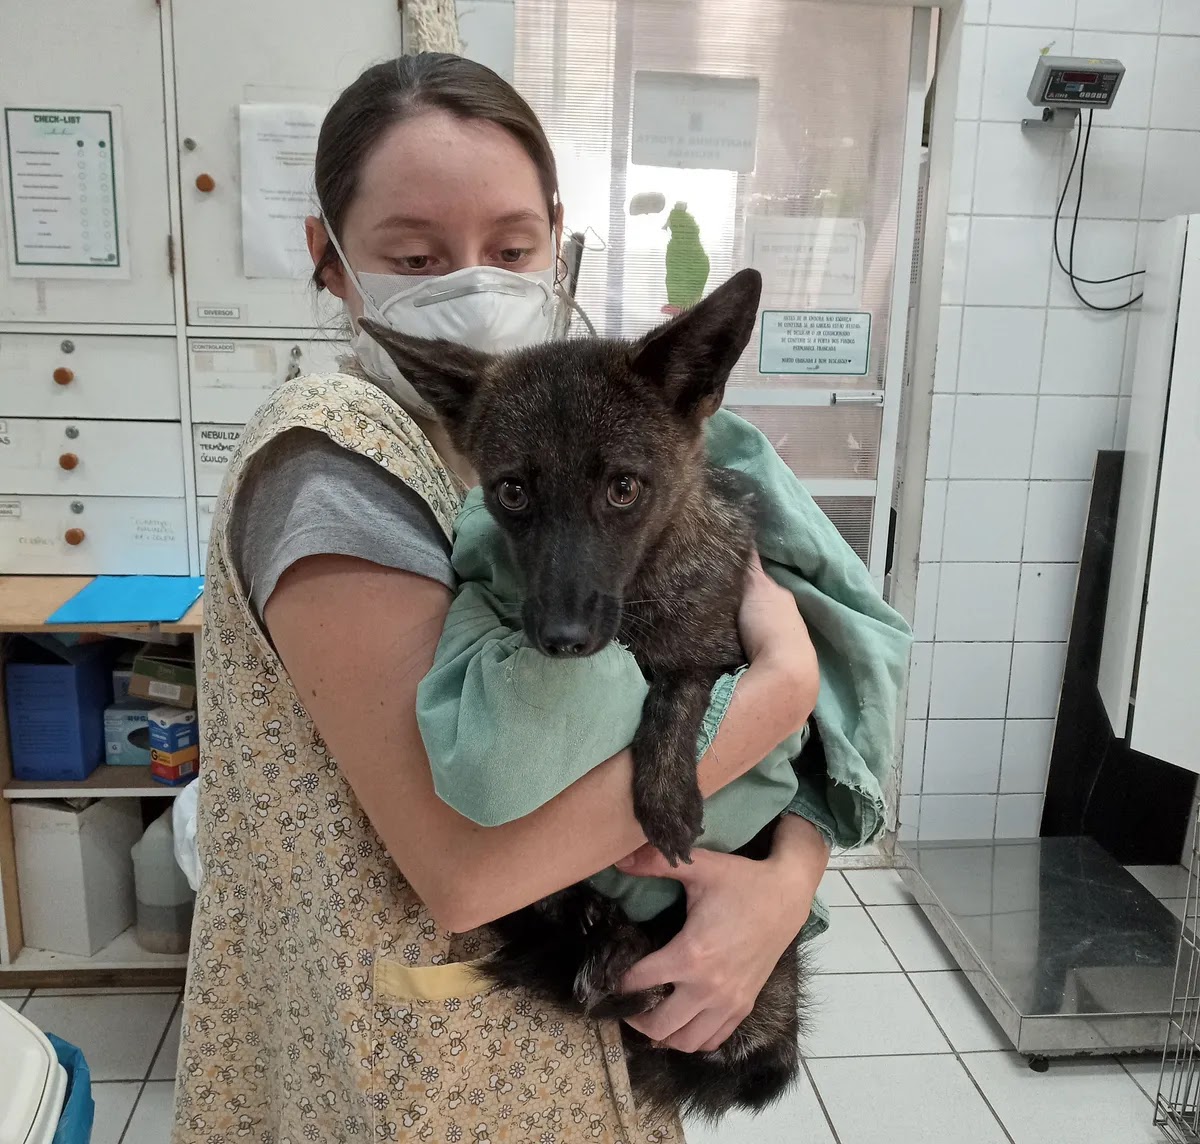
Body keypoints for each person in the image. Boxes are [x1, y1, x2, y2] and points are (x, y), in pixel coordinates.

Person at [172, 53, 842, 1144]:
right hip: (421, 1076)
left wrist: (782, 882)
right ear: (329, 259)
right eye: (417, 253)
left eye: (511, 247)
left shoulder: (532, 427)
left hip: (572, 1060)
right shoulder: (330, 462)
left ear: (557, 242)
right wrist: (777, 692)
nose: (474, 280)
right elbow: (469, 871)